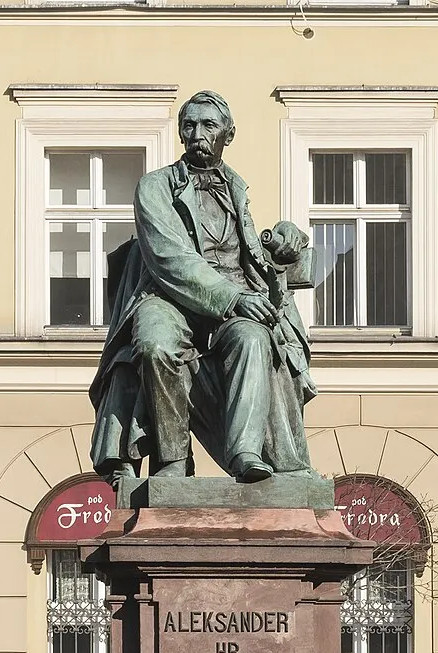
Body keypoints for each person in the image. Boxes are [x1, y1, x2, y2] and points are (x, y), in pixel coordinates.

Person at [89, 90, 318, 488]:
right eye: (189, 125)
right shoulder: (155, 186)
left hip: (233, 305)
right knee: (155, 343)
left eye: (208, 125)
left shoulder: (236, 190)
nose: (197, 134)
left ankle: (245, 451)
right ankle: (173, 460)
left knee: (253, 338)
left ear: (228, 134)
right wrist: (234, 298)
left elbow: (251, 255)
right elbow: (169, 258)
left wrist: (284, 237)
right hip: (168, 297)